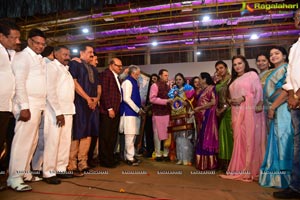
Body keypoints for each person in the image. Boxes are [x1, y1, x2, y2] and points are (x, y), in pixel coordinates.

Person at [8, 28, 47, 191]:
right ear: (29, 41)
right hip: (27, 104)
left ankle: (25, 173)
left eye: (43, 44)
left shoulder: (39, 59)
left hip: (38, 105)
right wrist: (24, 107)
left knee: (32, 142)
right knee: (22, 142)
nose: (40, 46)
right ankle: (14, 178)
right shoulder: (22, 57)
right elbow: (19, 83)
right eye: (37, 43)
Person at [220, 55, 266, 182]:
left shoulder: (252, 75)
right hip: (236, 113)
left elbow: (258, 94)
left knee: (250, 139)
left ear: (245, 63)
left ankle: (251, 169)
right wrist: (231, 101)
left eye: (240, 63)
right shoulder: (233, 80)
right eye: (235, 64)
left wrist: (244, 98)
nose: (237, 66)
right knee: (239, 140)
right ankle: (240, 168)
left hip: (250, 113)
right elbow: (230, 96)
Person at [273, 9, 300, 199]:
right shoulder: (295, 47)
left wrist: (296, 95)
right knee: (298, 146)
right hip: (295, 103)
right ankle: (296, 186)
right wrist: (292, 93)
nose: (298, 19)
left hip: (295, 100)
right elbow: (290, 75)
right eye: (296, 17)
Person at [259, 46, 293, 188]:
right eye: (271, 54)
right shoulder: (272, 72)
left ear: (284, 56)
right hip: (274, 111)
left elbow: (286, 92)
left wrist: (272, 107)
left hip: (284, 109)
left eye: (277, 53)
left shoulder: (287, 69)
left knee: (284, 142)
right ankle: (276, 178)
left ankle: (288, 181)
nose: (273, 56)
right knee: (276, 143)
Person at [42, 46, 75, 184]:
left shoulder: (65, 70)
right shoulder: (52, 67)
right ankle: (49, 172)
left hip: (68, 110)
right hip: (55, 112)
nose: (67, 57)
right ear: (55, 54)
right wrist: (58, 111)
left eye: (68, 54)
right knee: (53, 142)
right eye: (64, 54)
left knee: (65, 142)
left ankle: (61, 168)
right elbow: (50, 91)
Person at [68, 45, 100, 174]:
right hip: (80, 103)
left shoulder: (93, 68)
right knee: (78, 133)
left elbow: (98, 86)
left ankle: (83, 162)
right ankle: (71, 164)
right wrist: (87, 98)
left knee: (88, 134)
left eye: (93, 52)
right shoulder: (75, 64)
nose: (92, 55)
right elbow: (74, 83)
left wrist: (96, 100)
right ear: (81, 52)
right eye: (89, 52)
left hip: (92, 105)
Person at [0, 20, 21, 191]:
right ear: (2, 36)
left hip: (7, 108)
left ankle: (3, 175)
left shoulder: (12, 54)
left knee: (4, 143)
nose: (17, 41)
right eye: (13, 38)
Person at [31, 45, 55, 174]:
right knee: (40, 140)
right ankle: (35, 167)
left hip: (43, 106)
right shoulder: (47, 64)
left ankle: (37, 167)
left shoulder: (45, 63)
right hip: (43, 106)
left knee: (41, 140)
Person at [98, 58, 122, 168]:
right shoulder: (106, 74)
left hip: (116, 110)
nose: (120, 68)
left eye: (121, 66)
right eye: (118, 66)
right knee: (106, 136)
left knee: (112, 136)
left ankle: (110, 157)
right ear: (111, 65)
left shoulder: (116, 77)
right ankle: (105, 160)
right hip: (108, 111)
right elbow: (105, 93)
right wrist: (109, 108)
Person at [119, 65, 144, 166]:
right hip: (128, 113)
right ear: (132, 73)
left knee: (132, 136)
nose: (138, 76)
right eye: (137, 74)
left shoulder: (133, 82)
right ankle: (129, 157)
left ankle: (130, 155)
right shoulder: (127, 82)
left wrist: (139, 109)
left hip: (134, 113)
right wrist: (138, 109)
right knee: (129, 136)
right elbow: (126, 98)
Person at [168, 73, 195, 166]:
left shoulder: (189, 88)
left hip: (186, 115)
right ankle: (179, 158)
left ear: (183, 80)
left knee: (186, 137)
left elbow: (191, 101)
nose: (178, 81)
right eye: (177, 79)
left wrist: (186, 103)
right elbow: (171, 101)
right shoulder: (173, 90)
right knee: (178, 137)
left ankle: (187, 158)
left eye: (180, 79)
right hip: (177, 116)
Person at [193, 72, 218, 170]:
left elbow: (213, 102)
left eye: (199, 78)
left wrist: (200, 108)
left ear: (204, 79)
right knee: (201, 138)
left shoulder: (211, 88)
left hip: (208, 117)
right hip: (200, 117)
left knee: (206, 138)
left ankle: (209, 164)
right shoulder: (202, 90)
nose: (198, 80)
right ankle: (202, 164)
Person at [150, 69, 172, 161]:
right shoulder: (154, 85)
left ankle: (166, 154)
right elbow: (152, 99)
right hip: (157, 113)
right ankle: (158, 154)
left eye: (167, 75)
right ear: (160, 76)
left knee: (167, 134)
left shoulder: (169, 86)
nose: (167, 77)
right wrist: (166, 101)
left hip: (167, 113)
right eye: (165, 75)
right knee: (157, 135)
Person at [215, 61, 233, 172]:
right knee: (222, 137)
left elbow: (231, 97)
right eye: (217, 69)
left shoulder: (231, 80)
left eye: (221, 68)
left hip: (229, 110)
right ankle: (224, 162)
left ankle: (231, 163)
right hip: (220, 112)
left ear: (226, 68)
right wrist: (218, 109)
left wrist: (223, 109)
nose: (219, 70)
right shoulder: (218, 82)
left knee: (230, 137)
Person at [87, 55, 101, 168]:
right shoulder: (83, 71)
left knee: (95, 133)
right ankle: (86, 158)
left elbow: (99, 88)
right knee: (87, 134)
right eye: (95, 59)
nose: (96, 62)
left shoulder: (96, 72)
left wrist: (97, 99)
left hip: (95, 106)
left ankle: (91, 157)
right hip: (86, 105)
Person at [143, 73, 159, 158]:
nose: (153, 80)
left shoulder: (159, 89)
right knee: (148, 133)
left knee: (156, 134)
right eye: (152, 79)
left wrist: (149, 106)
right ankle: (149, 151)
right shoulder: (146, 90)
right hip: (148, 115)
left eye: (155, 79)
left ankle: (157, 151)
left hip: (156, 114)